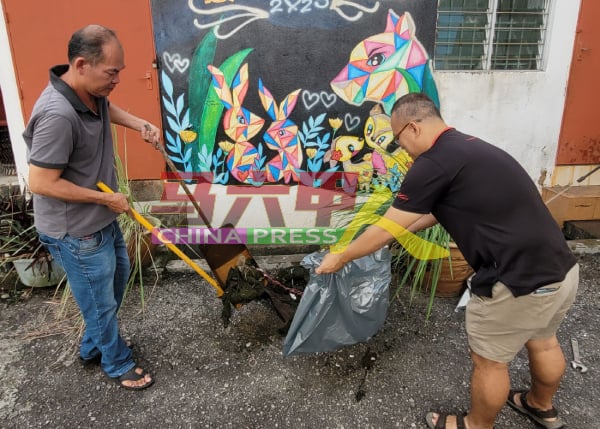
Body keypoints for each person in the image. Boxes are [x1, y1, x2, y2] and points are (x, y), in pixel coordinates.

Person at [316, 93, 578, 429]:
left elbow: (387, 225)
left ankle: (475, 425)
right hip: (561, 270)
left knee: (489, 362)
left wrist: (341, 256)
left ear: (411, 128)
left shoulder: (433, 162)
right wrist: (396, 231)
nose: (402, 151)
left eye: (397, 142)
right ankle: (540, 406)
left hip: (515, 280)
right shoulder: (468, 147)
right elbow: (438, 212)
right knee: (543, 341)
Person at [23, 24, 162, 391]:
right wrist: (105, 198)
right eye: (112, 72)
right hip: (76, 230)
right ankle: (117, 363)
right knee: (100, 302)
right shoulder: (57, 115)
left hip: (101, 218)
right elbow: (40, 183)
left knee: (115, 284)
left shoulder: (89, 92)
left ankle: (92, 347)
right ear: (82, 64)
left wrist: (139, 124)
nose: (116, 80)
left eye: (119, 71)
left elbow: (105, 106)